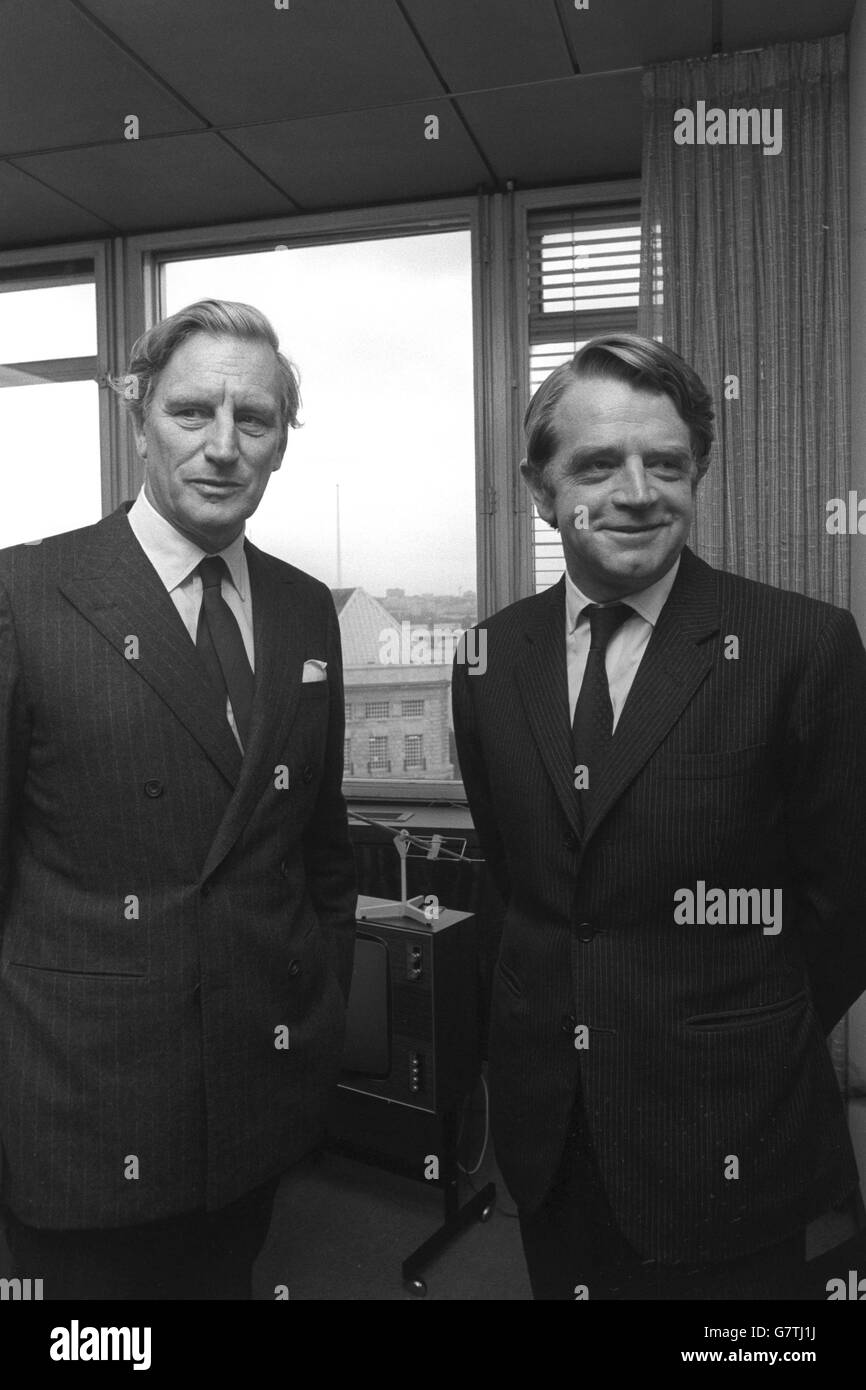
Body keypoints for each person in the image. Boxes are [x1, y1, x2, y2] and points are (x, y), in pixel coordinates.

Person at [452, 333, 866, 1300]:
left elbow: (847, 902)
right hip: (551, 1127)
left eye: (667, 463)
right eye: (598, 463)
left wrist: (743, 1021)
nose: (637, 491)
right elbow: (517, 882)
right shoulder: (487, 658)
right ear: (540, 486)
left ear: (696, 475)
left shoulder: (800, 647)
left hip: (729, 1126)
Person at [0, 298, 357, 1299]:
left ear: (283, 440)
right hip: (79, 1114)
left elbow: (317, 851)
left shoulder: (302, 609)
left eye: (255, 421)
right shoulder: (27, 596)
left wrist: (314, 1009)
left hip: (252, 1101)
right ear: (139, 416)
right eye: (193, 412)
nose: (223, 446)